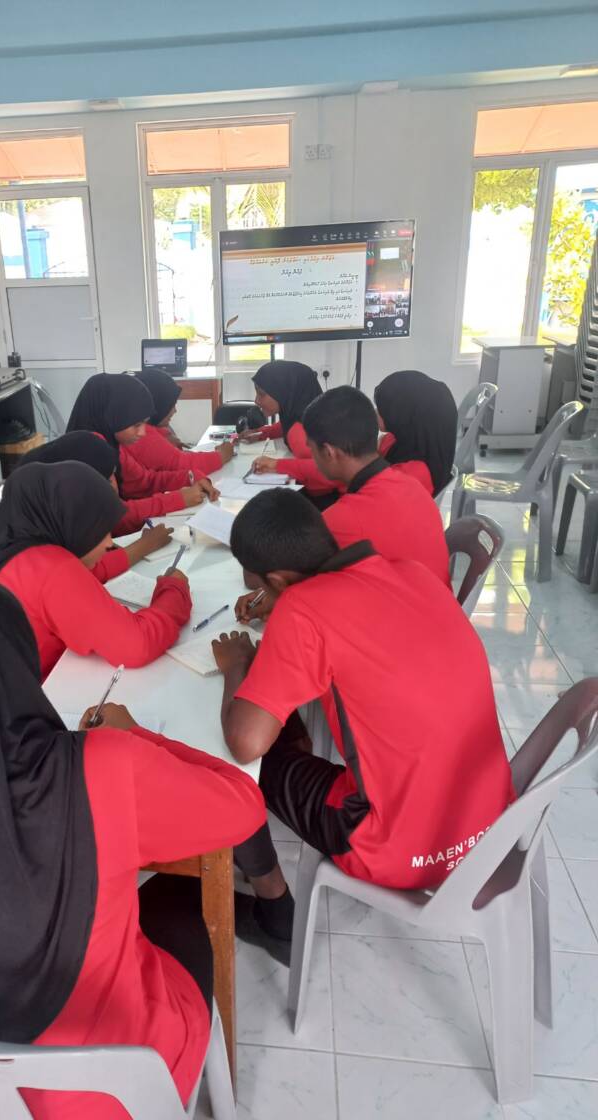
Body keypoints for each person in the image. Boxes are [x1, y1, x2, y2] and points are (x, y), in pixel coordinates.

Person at [0, 577, 265, 1120]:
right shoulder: (99, 766)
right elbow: (243, 807)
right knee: (179, 896)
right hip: (108, 1089)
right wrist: (134, 736)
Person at [215, 488, 513, 953]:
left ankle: (273, 910)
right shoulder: (411, 572)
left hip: (398, 848)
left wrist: (237, 665)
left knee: (241, 768)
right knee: (290, 729)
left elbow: (244, 742)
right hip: (492, 827)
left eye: (261, 586)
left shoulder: (302, 610)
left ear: (277, 579)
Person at [0, 461, 191, 678]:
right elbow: (136, 645)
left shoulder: (0, 538)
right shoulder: (52, 569)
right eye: (99, 531)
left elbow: (89, 571)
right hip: (31, 695)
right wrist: (174, 590)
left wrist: (140, 548)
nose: (109, 542)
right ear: (73, 525)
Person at [300, 386, 450, 585]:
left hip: (405, 604)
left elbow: (292, 580)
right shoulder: (411, 485)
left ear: (329, 452)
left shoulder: (342, 519)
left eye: (311, 449)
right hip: (436, 599)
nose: (313, 457)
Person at [17, 431, 175, 574]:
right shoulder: (37, 544)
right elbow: (83, 573)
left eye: (113, 475)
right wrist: (144, 546)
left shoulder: (58, 498)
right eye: (107, 479)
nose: (114, 486)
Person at [67, 372, 219, 505]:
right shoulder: (89, 455)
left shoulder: (113, 446)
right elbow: (117, 517)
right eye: (136, 425)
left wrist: (190, 477)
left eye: (145, 424)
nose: (143, 433)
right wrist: (179, 499)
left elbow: (145, 481)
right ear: (113, 416)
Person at [239, 360, 337, 498]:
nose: (256, 400)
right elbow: (286, 425)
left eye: (261, 394)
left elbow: (331, 471)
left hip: (326, 498)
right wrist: (262, 433)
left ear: (284, 392)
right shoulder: (307, 415)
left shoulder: (301, 434)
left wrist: (276, 465)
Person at [130, 368, 235, 474]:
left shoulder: (140, 426)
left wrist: (163, 438)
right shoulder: (143, 436)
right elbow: (184, 465)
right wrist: (221, 456)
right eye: (171, 405)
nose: (175, 410)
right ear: (159, 405)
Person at [373, 369, 458, 497]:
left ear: (401, 414)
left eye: (382, 407)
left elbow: (371, 492)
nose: (376, 411)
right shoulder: (407, 441)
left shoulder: (413, 473)